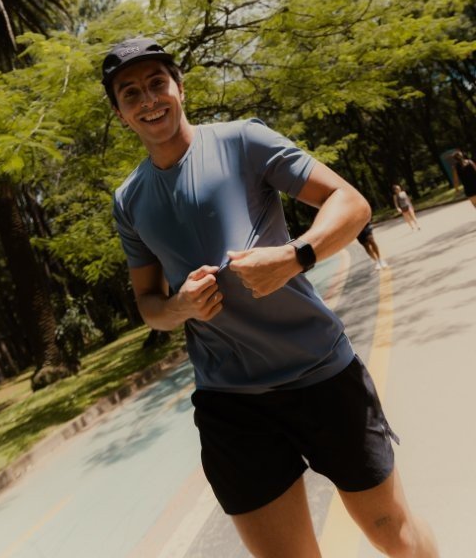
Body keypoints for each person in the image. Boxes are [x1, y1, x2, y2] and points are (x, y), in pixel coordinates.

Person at [102, 36, 438, 558]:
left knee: (392, 532)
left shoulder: (242, 140)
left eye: (156, 83)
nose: (148, 100)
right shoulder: (129, 200)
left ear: (180, 88)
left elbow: (351, 202)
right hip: (230, 402)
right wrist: (180, 307)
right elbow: (149, 305)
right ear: (120, 114)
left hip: (321, 373)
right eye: (130, 94)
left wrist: (295, 256)